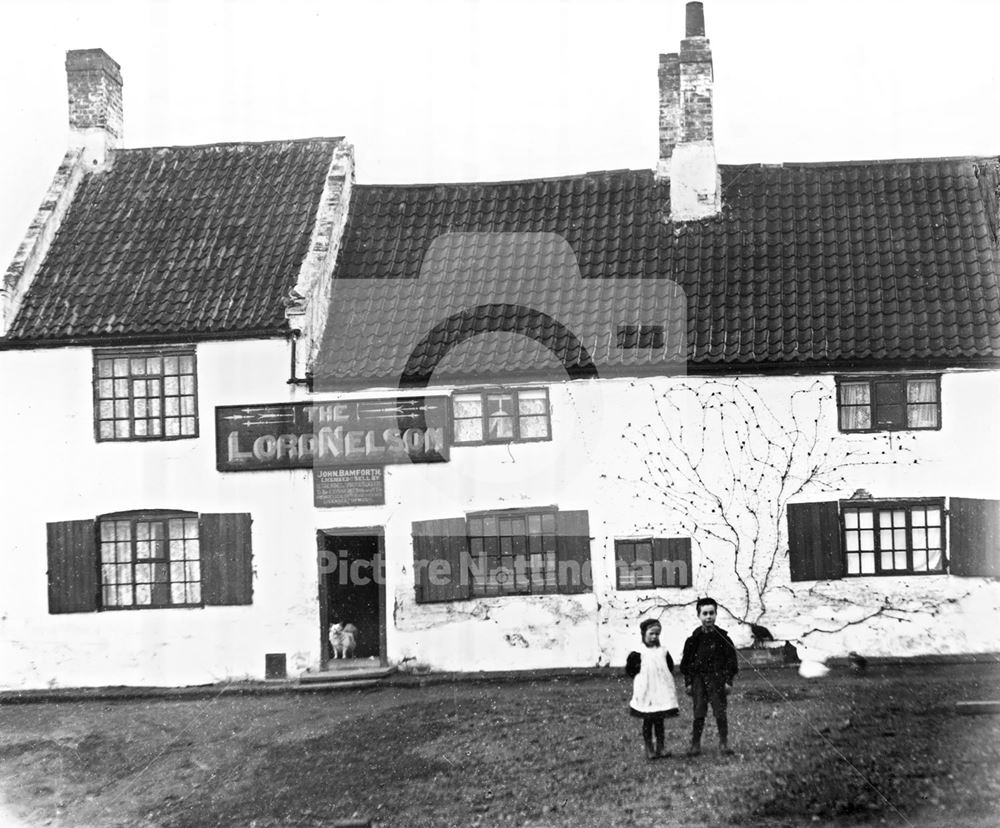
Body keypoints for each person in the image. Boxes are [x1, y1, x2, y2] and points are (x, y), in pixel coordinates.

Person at [680, 597, 738, 756]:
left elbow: (732, 662)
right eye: (704, 613)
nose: (708, 617)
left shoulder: (723, 638)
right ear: (698, 615)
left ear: (716, 614)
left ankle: (724, 743)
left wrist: (728, 681)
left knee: (720, 711)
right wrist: (689, 683)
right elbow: (686, 664)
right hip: (699, 680)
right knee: (699, 712)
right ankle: (695, 744)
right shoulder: (693, 640)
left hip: (718, 680)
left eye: (711, 613)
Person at [625, 618, 680, 760]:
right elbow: (630, 670)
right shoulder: (638, 653)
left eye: (657, 634)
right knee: (648, 720)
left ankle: (660, 748)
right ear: (644, 634)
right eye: (651, 634)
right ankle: (649, 748)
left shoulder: (663, 651)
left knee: (659, 721)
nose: (654, 637)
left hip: (661, 691)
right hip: (646, 691)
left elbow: (670, 666)